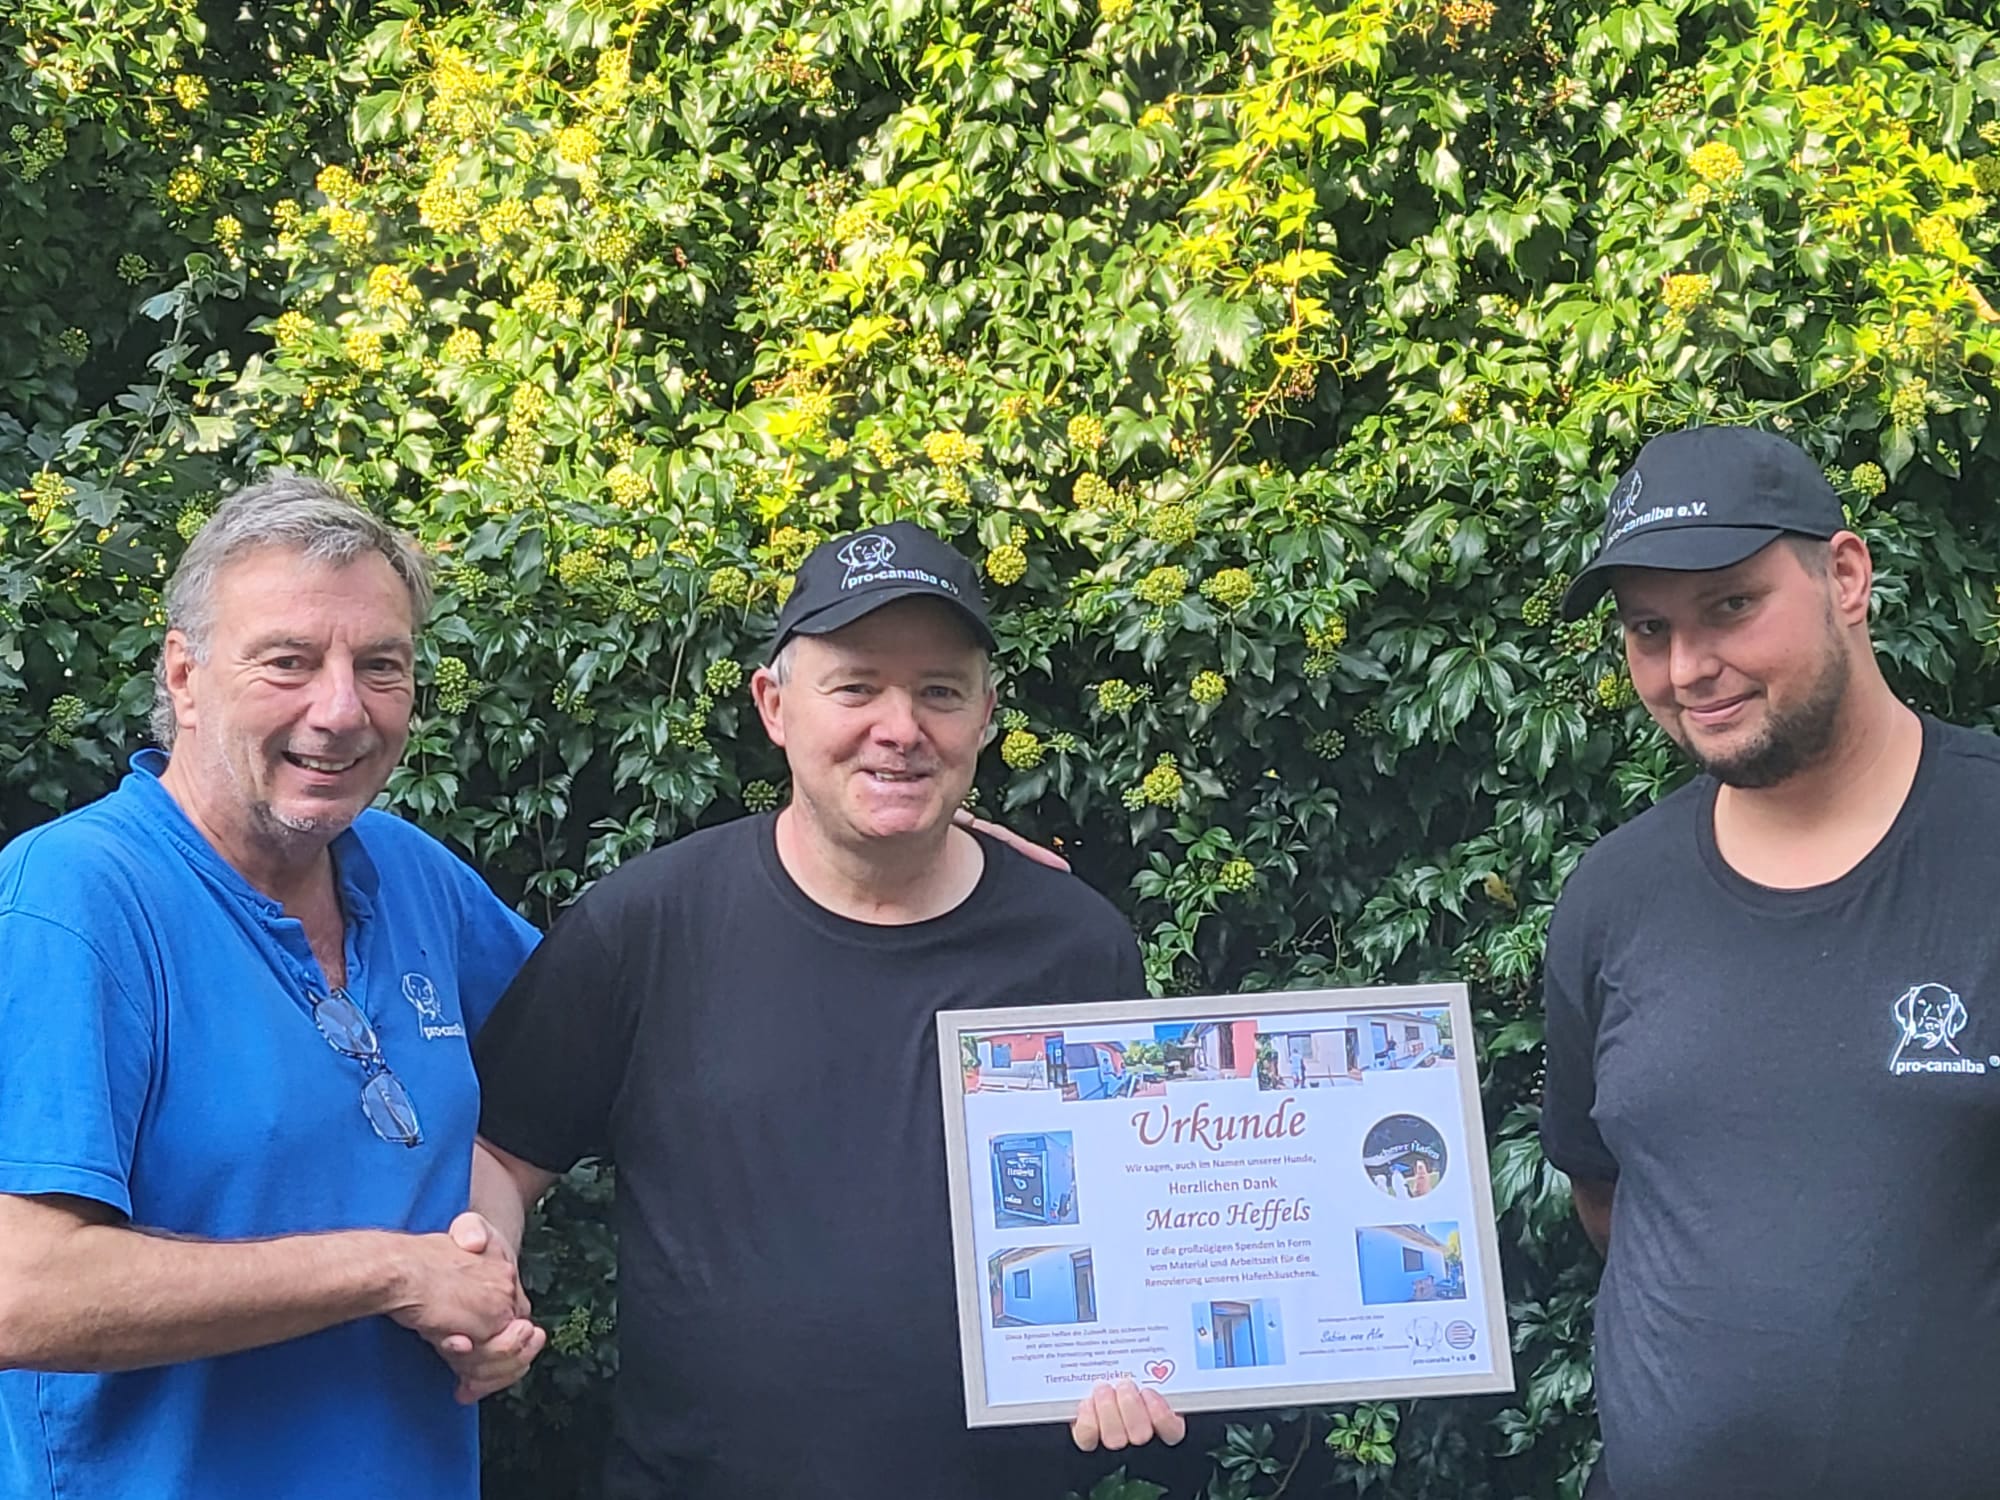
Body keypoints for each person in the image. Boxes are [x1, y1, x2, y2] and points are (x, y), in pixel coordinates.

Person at [465, 522, 1206, 1499]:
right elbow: (501, 1153)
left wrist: (1138, 1357)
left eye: (939, 692)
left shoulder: (1074, 945)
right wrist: (482, 1280)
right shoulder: (644, 925)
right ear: (774, 706)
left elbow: (1131, 1216)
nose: (900, 728)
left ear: (985, 715)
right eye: (855, 687)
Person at [0, 476, 544, 1500]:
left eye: (380, 667)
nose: (340, 711)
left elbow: (577, 1058)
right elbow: (22, 1290)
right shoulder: (75, 901)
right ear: (185, 674)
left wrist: (487, 1249)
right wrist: (392, 1271)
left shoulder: (412, 875)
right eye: (289, 661)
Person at [1539, 425, 2000, 1500]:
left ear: (1845, 576)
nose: (1686, 668)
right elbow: (1606, 1190)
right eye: (1648, 629)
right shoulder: (1613, 896)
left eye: (1730, 607)